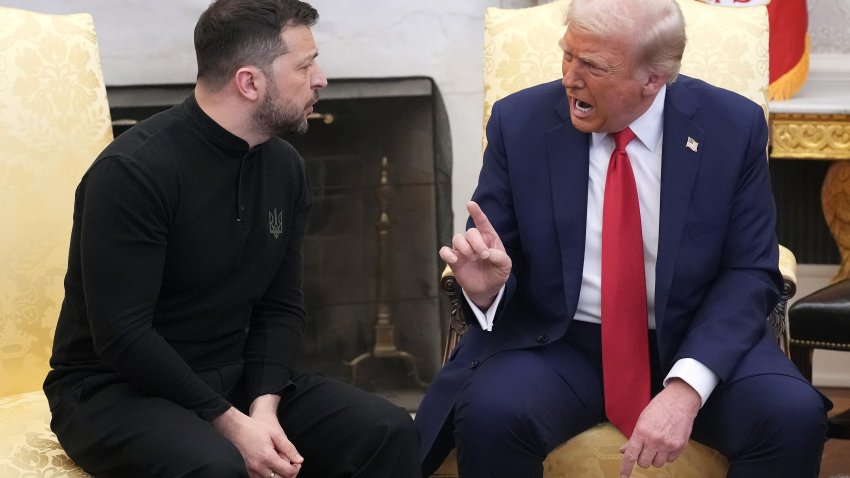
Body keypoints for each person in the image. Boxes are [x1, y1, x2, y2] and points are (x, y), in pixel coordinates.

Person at [415, 0, 831, 477]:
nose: (570, 77)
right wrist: (486, 290)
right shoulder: (521, 123)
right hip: (561, 342)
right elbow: (494, 255)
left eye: (592, 65)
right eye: (568, 55)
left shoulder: (731, 127)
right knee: (490, 414)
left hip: (695, 336)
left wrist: (686, 388)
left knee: (790, 416)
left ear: (652, 78)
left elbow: (749, 271)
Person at [43, 1, 420, 477]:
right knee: (216, 467)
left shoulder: (285, 167)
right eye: (305, 65)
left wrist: (263, 409)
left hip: (234, 375)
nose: (321, 78)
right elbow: (123, 336)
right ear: (249, 82)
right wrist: (229, 424)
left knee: (387, 431)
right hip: (113, 389)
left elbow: (281, 306)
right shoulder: (132, 173)